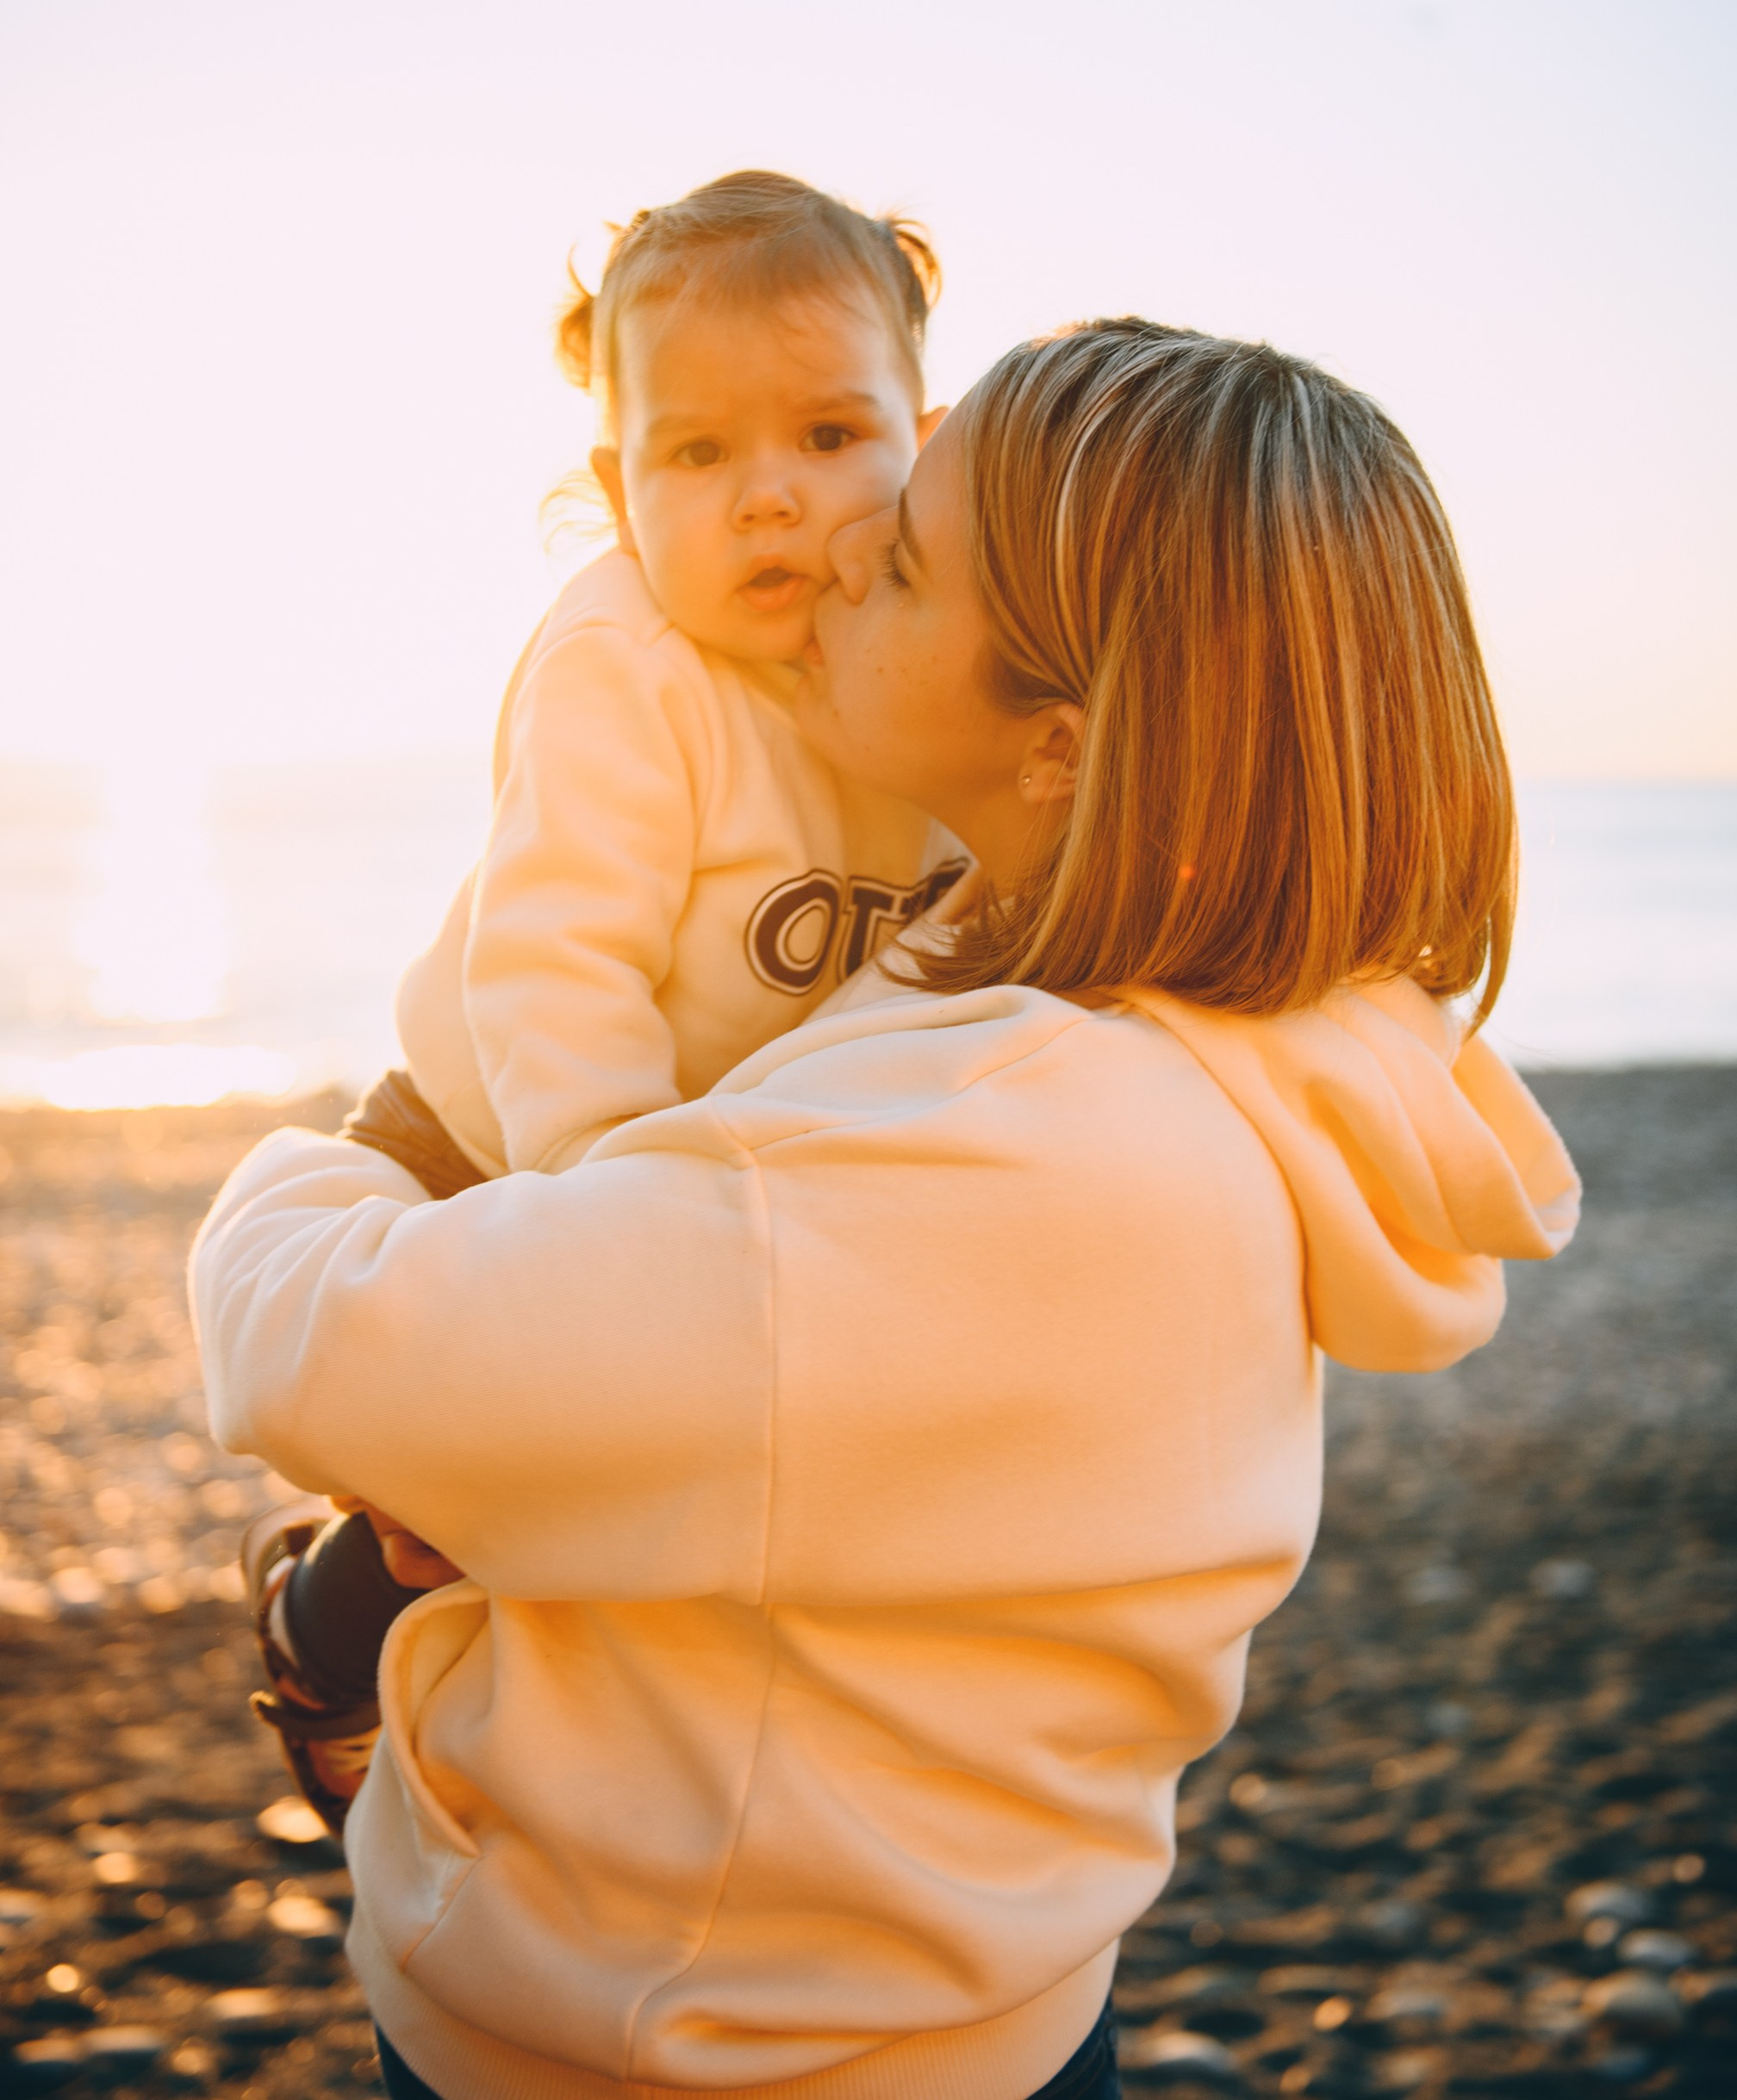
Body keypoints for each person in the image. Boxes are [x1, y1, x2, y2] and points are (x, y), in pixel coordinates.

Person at [192, 318, 1579, 2100]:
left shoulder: (954, 1167)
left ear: (1065, 745)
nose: (840, 550)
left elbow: (328, 1345)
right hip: (988, 2001)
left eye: (908, 553)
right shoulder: (1251, 1055)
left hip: (675, 2049)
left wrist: (335, 1164)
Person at [241, 171, 962, 1830]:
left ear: (924, 435)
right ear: (616, 486)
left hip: (681, 1151)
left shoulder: (914, 658)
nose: (770, 499)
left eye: (830, 437)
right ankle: (321, 1616)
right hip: (494, 1125)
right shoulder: (626, 661)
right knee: (461, 1494)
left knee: (590, 1501)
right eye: (699, 455)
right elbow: (557, 962)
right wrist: (609, 1214)